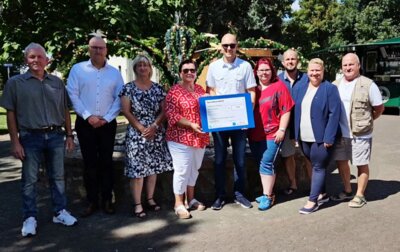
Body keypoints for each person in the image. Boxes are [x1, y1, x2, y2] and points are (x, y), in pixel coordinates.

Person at [0, 43, 77, 237]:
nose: (36, 60)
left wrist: (69, 135)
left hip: (55, 135)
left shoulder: (57, 83)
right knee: (29, 180)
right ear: (26, 59)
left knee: (58, 177)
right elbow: (11, 113)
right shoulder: (15, 83)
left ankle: (59, 212)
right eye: (32, 57)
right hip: (29, 136)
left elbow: (65, 110)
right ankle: (30, 217)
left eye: (39, 57)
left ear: (46, 60)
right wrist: (15, 142)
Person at [67, 36, 124, 217]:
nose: (98, 51)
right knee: (89, 163)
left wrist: (106, 118)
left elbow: (120, 97)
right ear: (89, 49)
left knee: (106, 162)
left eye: (101, 48)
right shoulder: (78, 69)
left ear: (106, 50)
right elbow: (72, 94)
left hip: (107, 124)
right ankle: (92, 201)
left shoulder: (114, 73)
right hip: (85, 124)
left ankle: (107, 200)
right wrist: (88, 116)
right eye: (94, 47)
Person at [206, 33, 257, 210]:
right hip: (220, 122)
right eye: (226, 45)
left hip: (240, 122)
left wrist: (247, 116)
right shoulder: (213, 67)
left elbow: (251, 91)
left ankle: (239, 194)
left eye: (232, 45)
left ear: (237, 46)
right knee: (219, 159)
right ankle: (220, 196)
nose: (229, 48)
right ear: (221, 46)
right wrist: (217, 111)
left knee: (240, 160)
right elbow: (211, 90)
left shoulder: (245, 67)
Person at [119, 55, 173, 218]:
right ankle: (137, 204)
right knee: (138, 171)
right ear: (135, 68)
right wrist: (142, 128)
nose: (143, 68)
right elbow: (126, 111)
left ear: (150, 68)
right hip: (137, 133)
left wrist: (154, 126)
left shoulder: (157, 88)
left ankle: (150, 199)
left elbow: (164, 111)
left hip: (155, 132)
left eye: (146, 65)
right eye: (139, 65)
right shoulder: (128, 88)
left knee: (152, 169)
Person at [331, 53, 384, 207]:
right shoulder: (335, 85)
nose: (348, 68)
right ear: (341, 67)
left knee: (361, 163)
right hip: (340, 133)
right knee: (341, 162)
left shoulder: (369, 85)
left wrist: (368, 121)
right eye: (345, 65)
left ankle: (360, 195)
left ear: (358, 66)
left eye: (351, 64)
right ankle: (347, 191)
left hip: (360, 134)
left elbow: (379, 108)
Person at [293, 58, 341, 214]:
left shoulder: (330, 89)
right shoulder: (300, 87)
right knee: (313, 164)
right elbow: (296, 111)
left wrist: (329, 137)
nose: (314, 73)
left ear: (323, 71)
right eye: (312, 70)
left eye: (317, 71)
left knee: (318, 166)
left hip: (321, 137)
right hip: (303, 136)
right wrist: (295, 135)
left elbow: (335, 114)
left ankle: (312, 201)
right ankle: (323, 194)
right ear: (307, 71)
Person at [165, 60, 210, 219]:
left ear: (196, 72)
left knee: (194, 168)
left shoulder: (200, 89)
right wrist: (190, 124)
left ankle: (191, 199)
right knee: (182, 170)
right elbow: (172, 115)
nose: (189, 73)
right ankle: (178, 203)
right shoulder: (174, 91)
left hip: (199, 136)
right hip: (180, 137)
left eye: (192, 70)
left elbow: (208, 109)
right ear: (180, 73)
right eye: (185, 70)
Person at [248, 58, 294, 211]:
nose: (264, 73)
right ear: (256, 72)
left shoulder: (279, 86)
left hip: (272, 133)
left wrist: (282, 129)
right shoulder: (252, 88)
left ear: (272, 71)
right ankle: (266, 192)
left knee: (267, 163)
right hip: (254, 133)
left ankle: (268, 196)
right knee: (261, 162)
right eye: (261, 70)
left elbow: (286, 109)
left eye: (267, 69)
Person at [278, 49, 312, 195]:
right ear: (283, 62)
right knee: (288, 155)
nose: (290, 62)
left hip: (304, 123)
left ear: (298, 61)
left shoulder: (307, 78)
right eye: (287, 59)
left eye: (293, 59)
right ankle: (293, 184)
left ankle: (314, 186)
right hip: (285, 125)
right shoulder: (277, 79)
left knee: (308, 156)